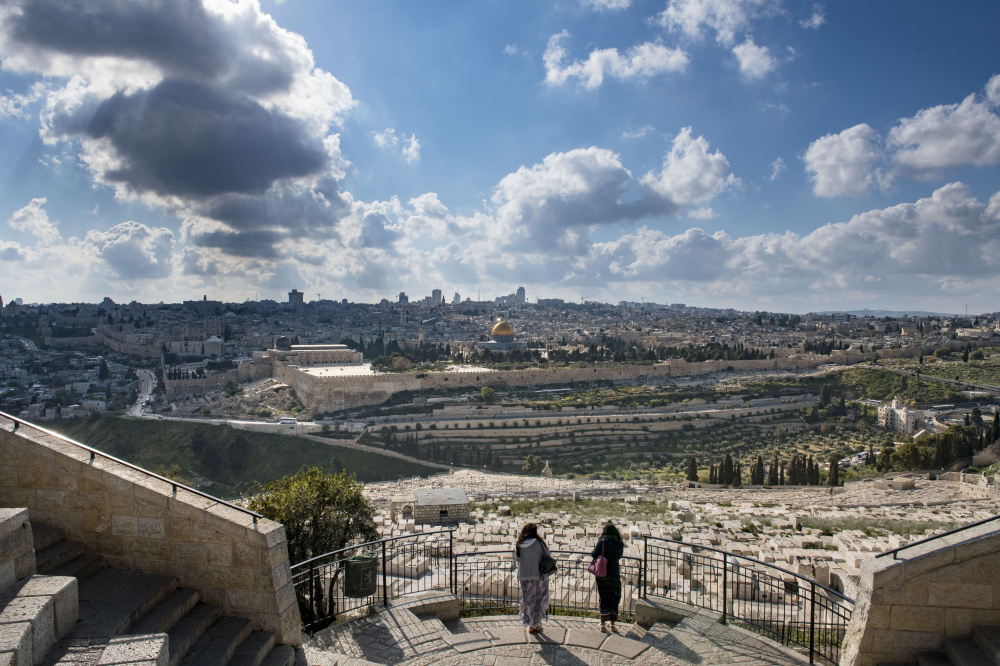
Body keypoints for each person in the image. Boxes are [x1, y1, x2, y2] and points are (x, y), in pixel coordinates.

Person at [514, 522, 551, 634]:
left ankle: (530, 624)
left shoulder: (519, 544)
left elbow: (518, 559)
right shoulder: (539, 543)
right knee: (538, 600)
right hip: (538, 575)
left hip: (524, 576)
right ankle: (537, 624)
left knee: (528, 601)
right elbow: (547, 555)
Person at [591, 522, 625, 632]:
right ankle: (613, 624)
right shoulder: (619, 543)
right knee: (614, 598)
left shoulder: (602, 542)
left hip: (603, 573)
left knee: (604, 597)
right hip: (614, 573)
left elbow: (594, 554)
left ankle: (602, 624)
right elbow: (619, 556)